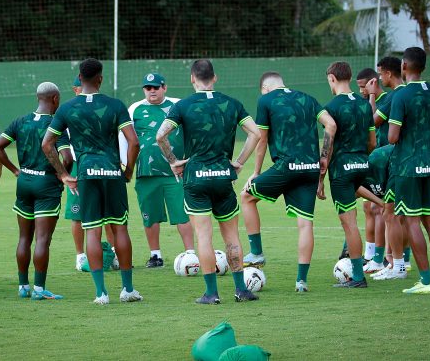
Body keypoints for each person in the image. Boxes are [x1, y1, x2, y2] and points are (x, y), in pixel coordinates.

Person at [157, 59, 261, 304]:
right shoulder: (232, 103)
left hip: (196, 178)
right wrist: (239, 162)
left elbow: (161, 136)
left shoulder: (183, 105)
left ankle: (211, 294)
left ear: (192, 78)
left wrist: (174, 161)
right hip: (224, 177)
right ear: (215, 78)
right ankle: (241, 290)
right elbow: (255, 133)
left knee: (204, 237)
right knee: (232, 237)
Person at [43, 58, 142, 305]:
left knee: (92, 231)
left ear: (80, 77)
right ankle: (127, 290)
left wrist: (63, 175)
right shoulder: (116, 105)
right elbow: (134, 142)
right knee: (120, 228)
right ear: (100, 78)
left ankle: (101, 294)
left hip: (86, 174)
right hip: (112, 173)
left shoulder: (66, 108)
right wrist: (128, 171)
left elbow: (46, 144)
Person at [240, 71, 337, 292]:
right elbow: (330, 125)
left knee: (246, 197)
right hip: (310, 168)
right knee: (305, 224)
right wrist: (323, 157)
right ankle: (301, 282)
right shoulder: (308, 98)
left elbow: (262, 138)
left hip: (287, 166)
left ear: (265, 88)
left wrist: (255, 171)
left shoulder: (265, 100)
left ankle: (256, 252)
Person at [0, 82, 73, 300]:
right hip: (46, 185)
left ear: (38, 98)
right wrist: (62, 175)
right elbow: (67, 158)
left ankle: (22, 287)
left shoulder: (21, 121)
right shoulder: (57, 125)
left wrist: (14, 170)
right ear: (55, 98)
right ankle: (39, 290)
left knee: (24, 238)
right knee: (43, 240)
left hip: (24, 181)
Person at [388, 47, 430, 294]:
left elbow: (392, 137)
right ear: (423, 67)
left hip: (408, 166)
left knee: (411, 221)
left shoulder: (401, 96)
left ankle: (425, 281)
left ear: (404, 66)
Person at [119, 73, 195, 267]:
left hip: (175, 172)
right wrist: (125, 166)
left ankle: (191, 253)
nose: (151, 91)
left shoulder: (178, 105)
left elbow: (192, 131)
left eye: (155, 87)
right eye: (148, 87)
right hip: (146, 171)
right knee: (149, 214)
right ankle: (155, 255)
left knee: (182, 212)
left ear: (164, 87)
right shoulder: (134, 108)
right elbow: (125, 139)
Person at [318, 61, 376, 288]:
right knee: (354, 219)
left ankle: (359, 278)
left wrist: (320, 179)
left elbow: (327, 147)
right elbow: (372, 142)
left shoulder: (330, 107)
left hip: (342, 171)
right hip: (363, 165)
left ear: (332, 78)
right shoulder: (364, 105)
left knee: (349, 224)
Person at [67, 76, 117, 271]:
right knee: (77, 214)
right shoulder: (69, 110)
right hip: (78, 166)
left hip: (104, 164)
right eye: (80, 88)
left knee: (110, 214)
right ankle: (80, 255)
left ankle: (112, 253)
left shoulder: (101, 110)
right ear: (75, 89)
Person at [370, 56, 412, 279]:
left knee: (390, 213)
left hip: (396, 161)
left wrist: (370, 97)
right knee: (402, 214)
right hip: (417, 160)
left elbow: (373, 121)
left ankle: (398, 266)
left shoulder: (396, 95)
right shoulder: (415, 93)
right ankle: (397, 261)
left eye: (380, 74)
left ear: (388, 73)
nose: (378, 78)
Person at [356, 68, 386, 271]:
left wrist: (373, 96)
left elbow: (372, 123)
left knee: (382, 209)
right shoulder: (364, 102)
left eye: (363, 87)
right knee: (369, 207)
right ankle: (370, 255)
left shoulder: (387, 100)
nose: (361, 91)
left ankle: (384, 258)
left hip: (386, 163)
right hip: (371, 162)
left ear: (373, 83)